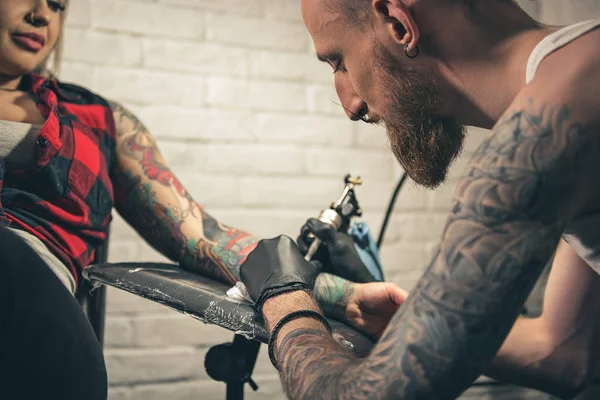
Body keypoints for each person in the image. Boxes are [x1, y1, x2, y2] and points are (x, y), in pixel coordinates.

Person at [0, 1, 388, 399]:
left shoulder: (98, 121)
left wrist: (345, 296)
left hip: (36, 340)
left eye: (58, 5)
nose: (41, 15)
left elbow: (202, 236)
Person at [238, 0, 600, 399]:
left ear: (398, 23)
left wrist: (284, 301)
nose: (350, 106)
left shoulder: (541, 137)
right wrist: (408, 325)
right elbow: (561, 352)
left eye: (339, 62)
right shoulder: (578, 90)